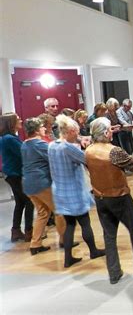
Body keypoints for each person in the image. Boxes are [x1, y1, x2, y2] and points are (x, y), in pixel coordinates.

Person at [85, 117, 133, 284]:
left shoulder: (88, 150)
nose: (112, 132)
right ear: (104, 132)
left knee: (109, 236)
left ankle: (114, 272)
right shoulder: (114, 151)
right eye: (110, 129)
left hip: (100, 197)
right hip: (119, 197)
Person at [48, 115, 105, 268]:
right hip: (74, 191)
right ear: (71, 131)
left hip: (60, 190)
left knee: (70, 225)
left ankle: (67, 258)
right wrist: (87, 147)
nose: (78, 135)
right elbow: (87, 159)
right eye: (77, 133)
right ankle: (93, 251)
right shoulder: (68, 148)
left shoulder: (52, 145)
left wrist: (80, 141)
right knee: (85, 222)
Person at [21, 117, 66, 254]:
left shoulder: (24, 144)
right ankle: (65, 240)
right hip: (41, 183)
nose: (44, 128)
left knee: (42, 213)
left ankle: (35, 244)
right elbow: (56, 154)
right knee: (59, 210)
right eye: (41, 126)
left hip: (28, 184)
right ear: (35, 130)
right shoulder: (38, 144)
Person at [0, 113, 34, 242]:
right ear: (11, 123)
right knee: (29, 201)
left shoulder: (9, 137)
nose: (21, 119)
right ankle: (29, 231)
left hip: (11, 173)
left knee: (20, 202)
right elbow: (23, 153)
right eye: (18, 119)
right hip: (15, 174)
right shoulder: (9, 138)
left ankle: (16, 230)